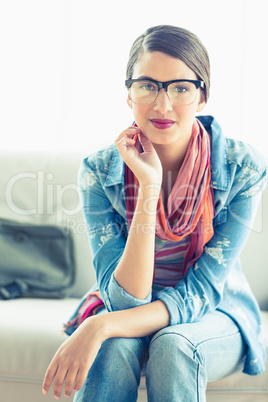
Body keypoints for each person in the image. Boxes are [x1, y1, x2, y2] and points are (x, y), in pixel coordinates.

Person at [42, 25, 267, 401]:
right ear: (128, 95)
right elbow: (128, 301)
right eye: (147, 85)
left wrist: (100, 326)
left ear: (202, 97)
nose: (162, 105)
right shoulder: (99, 172)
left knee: (172, 345)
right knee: (112, 348)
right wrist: (149, 186)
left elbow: (200, 294)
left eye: (180, 88)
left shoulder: (241, 168)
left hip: (213, 312)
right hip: (132, 307)